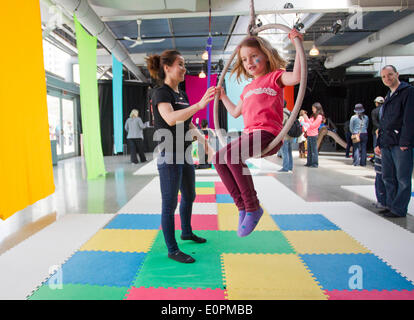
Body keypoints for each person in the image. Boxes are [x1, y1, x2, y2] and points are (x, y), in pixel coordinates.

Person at [214, 29, 303, 237]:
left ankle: (253, 206)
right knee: (219, 159)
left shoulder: (276, 77)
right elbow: (236, 112)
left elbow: (298, 76)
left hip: (267, 133)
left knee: (232, 155)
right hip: (249, 135)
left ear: (266, 54)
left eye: (254, 56)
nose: (249, 62)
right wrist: (223, 97)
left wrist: (299, 45)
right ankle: (243, 207)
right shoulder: (248, 88)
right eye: (245, 59)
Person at [146, 49, 216, 262]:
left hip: (184, 153)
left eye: (184, 65)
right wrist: (199, 105)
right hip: (169, 154)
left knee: (190, 195)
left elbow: (189, 124)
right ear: (167, 67)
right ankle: (172, 249)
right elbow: (169, 119)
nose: (185, 69)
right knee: (169, 204)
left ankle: (186, 231)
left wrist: (206, 145)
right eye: (181, 64)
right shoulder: (161, 92)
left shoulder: (181, 94)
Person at [375, 65, 414, 218]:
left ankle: (399, 208)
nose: (387, 78)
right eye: (384, 76)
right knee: (387, 176)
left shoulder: (408, 92)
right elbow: (383, 122)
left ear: (397, 74)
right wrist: (379, 142)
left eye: (390, 75)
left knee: (402, 178)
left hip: (400, 143)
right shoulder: (388, 96)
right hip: (386, 143)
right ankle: (391, 205)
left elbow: (409, 119)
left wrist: (405, 141)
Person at [302, 102, 324, 168]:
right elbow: (309, 124)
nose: (312, 110)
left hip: (314, 135)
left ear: (317, 108)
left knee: (314, 150)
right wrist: (305, 119)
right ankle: (309, 162)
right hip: (309, 134)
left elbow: (313, 126)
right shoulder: (313, 115)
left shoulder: (319, 116)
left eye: (313, 108)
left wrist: (306, 119)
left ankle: (315, 163)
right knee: (309, 150)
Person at [279, 105, 294, 172]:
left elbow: (281, 123)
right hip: (291, 135)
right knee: (289, 152)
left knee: (284, 152)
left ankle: (285, 168)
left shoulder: (283, 113)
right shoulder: (290, 112)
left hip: (285, 136)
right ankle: (290, 167)